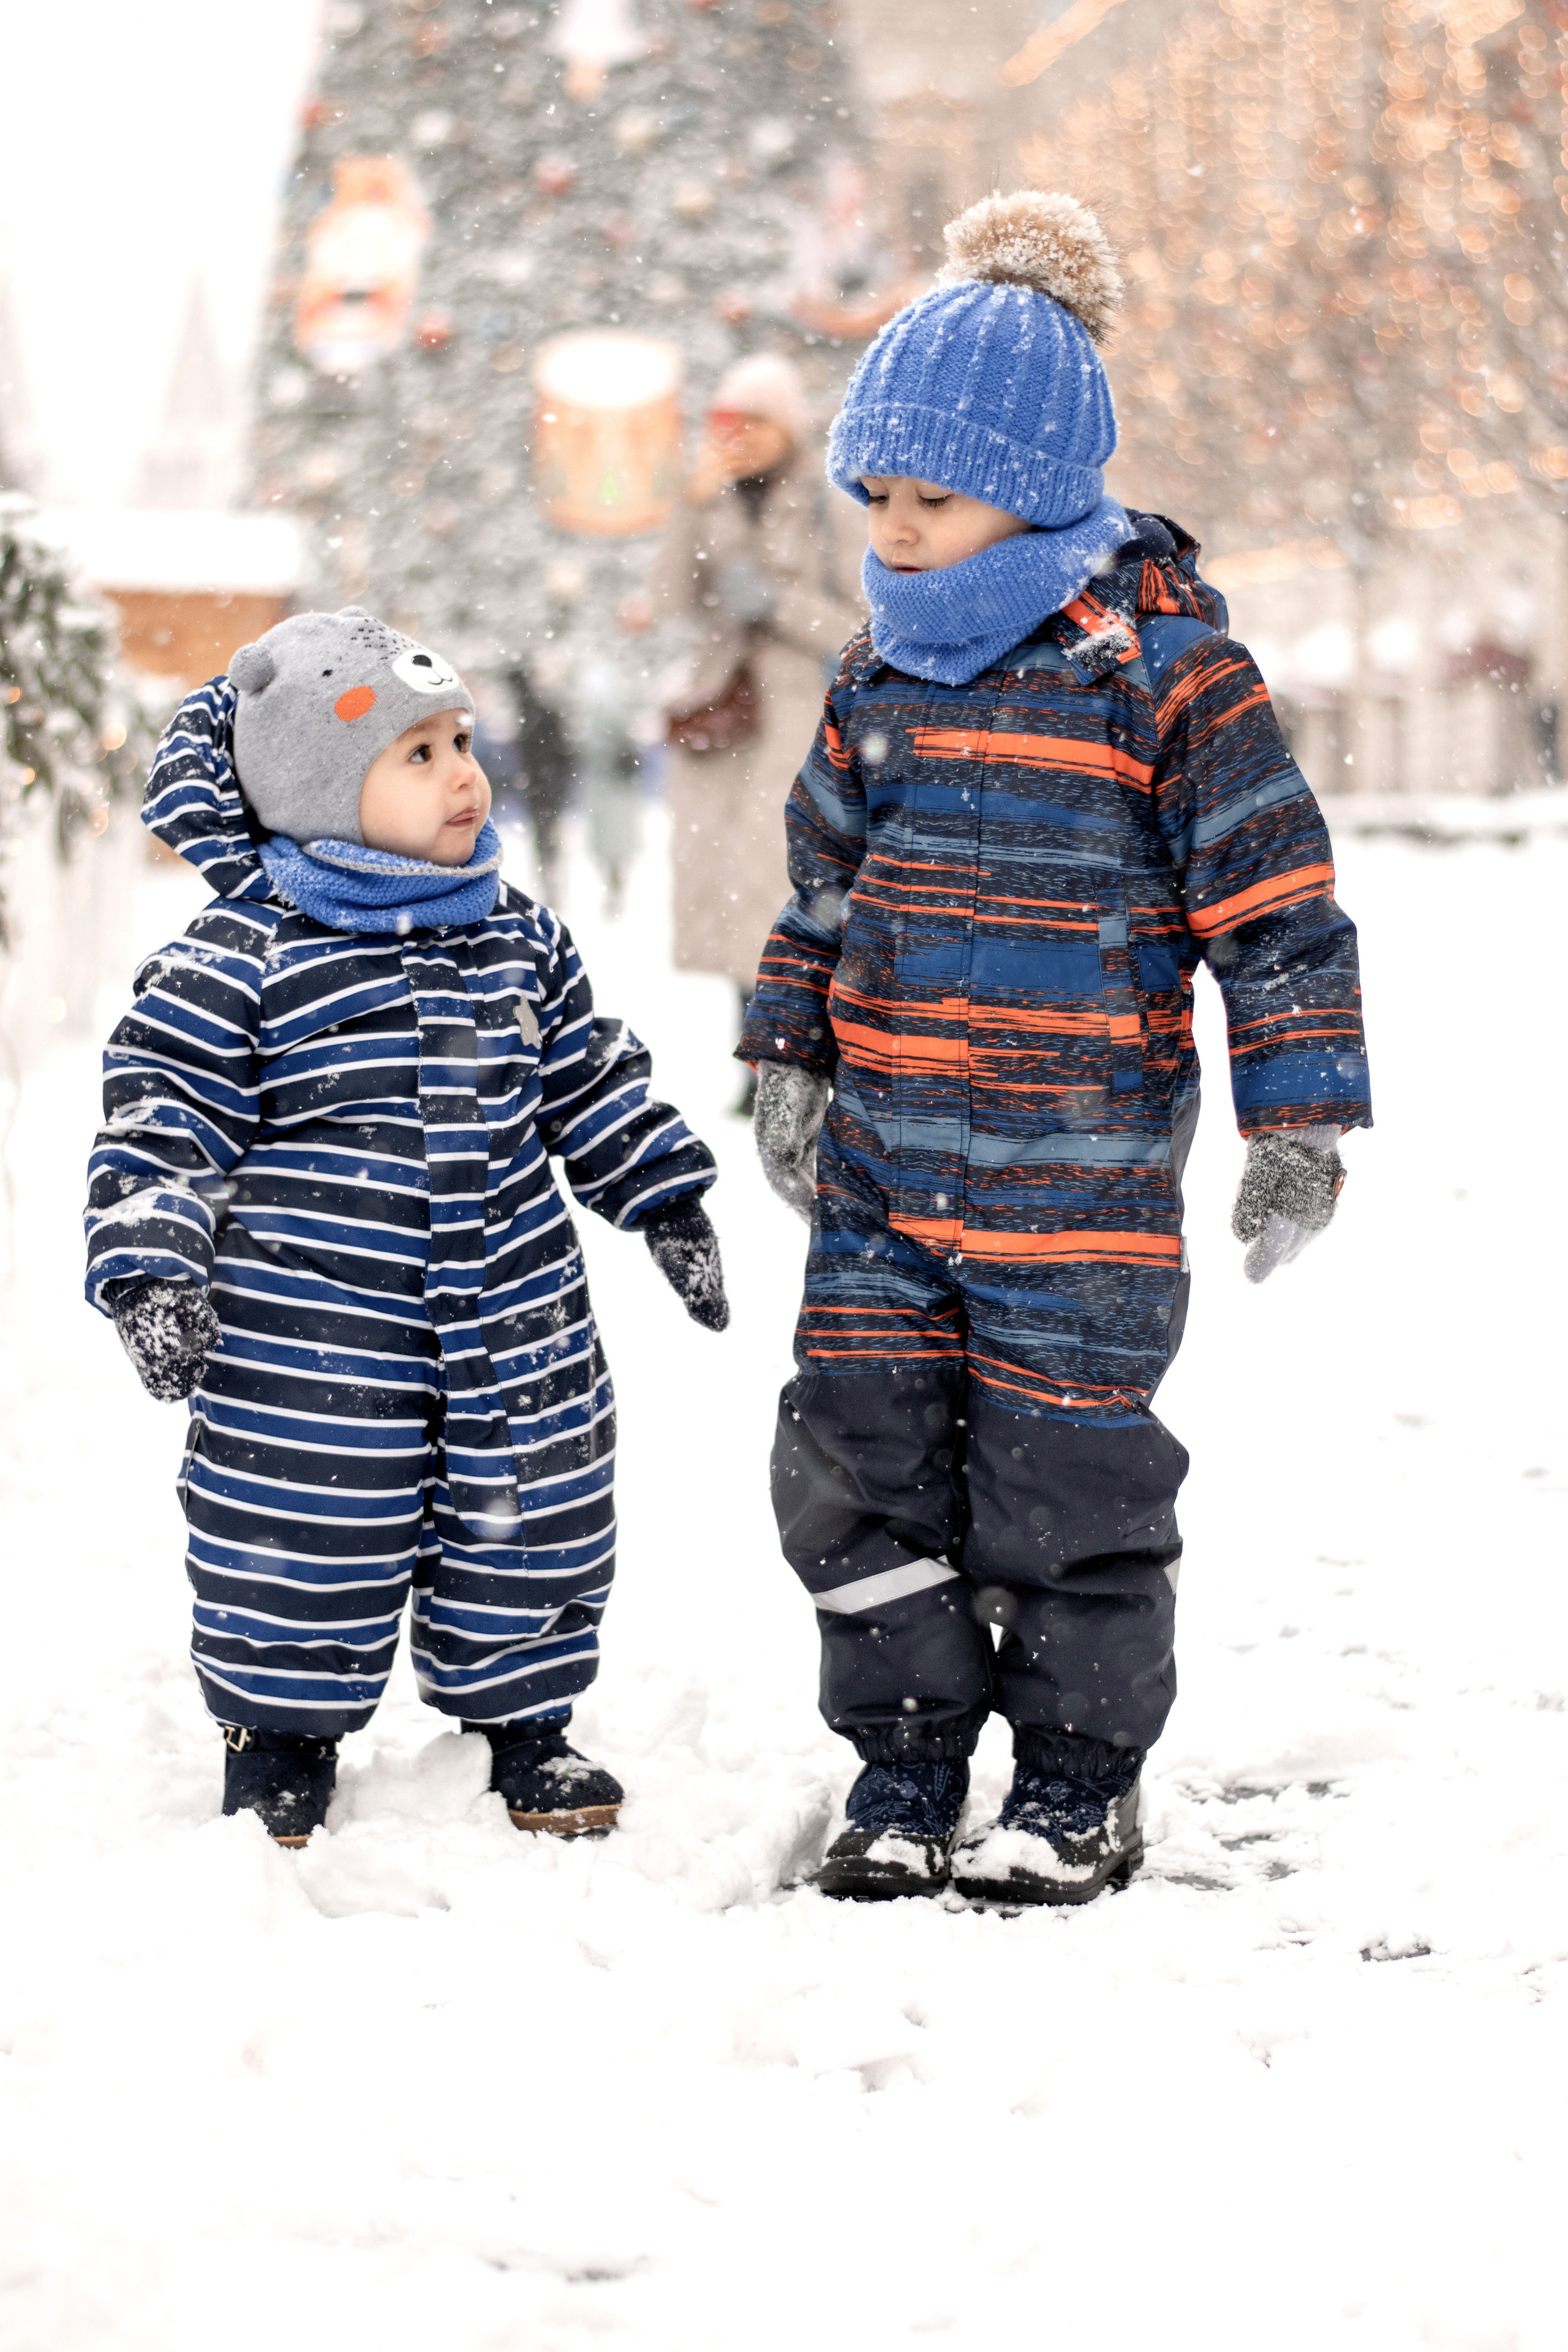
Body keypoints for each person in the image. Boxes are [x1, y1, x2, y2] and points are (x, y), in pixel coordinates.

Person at [742, 192, 1372, 1906]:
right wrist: (788, 1055)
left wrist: (1298, 1116)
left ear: (1037, 492)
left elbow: (1280, 909)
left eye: (927, 500)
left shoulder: (1170, 683)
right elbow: (820, 893)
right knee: (858, 1475)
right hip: (883, 1175)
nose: (895, 532)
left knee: (1067, 1485)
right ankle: (906, 1765)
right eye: (875, 498)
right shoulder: (878, 683)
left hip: (1078, 1194)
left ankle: (1080, 1781)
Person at [85, 608, 729, 1848]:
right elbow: (159, 1121)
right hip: (308, 1336)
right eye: (417, 755)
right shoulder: (242, 958)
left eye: (460, 741)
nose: (463, 777)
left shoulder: (514, 936)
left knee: (535, 1514)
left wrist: (661, 1192)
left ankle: (527, 1720)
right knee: (297, 1526)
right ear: (324, 792)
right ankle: (278, 1734)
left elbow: (585, 1077)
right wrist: (149, 1272)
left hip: (513, 1315)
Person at [658, 352, 864, 1110]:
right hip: (722, 719)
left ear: (784, 426)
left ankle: (797, 1056)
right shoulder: (713, 500)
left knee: (782, 886)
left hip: (794, 719)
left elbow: (860, 625)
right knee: (723, 891)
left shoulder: (828, 507)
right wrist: (692, 508)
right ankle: (757, 1055)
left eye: (750, 421)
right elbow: (671, 599)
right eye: (725, 422)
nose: (735, 436)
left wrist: (773, 601)